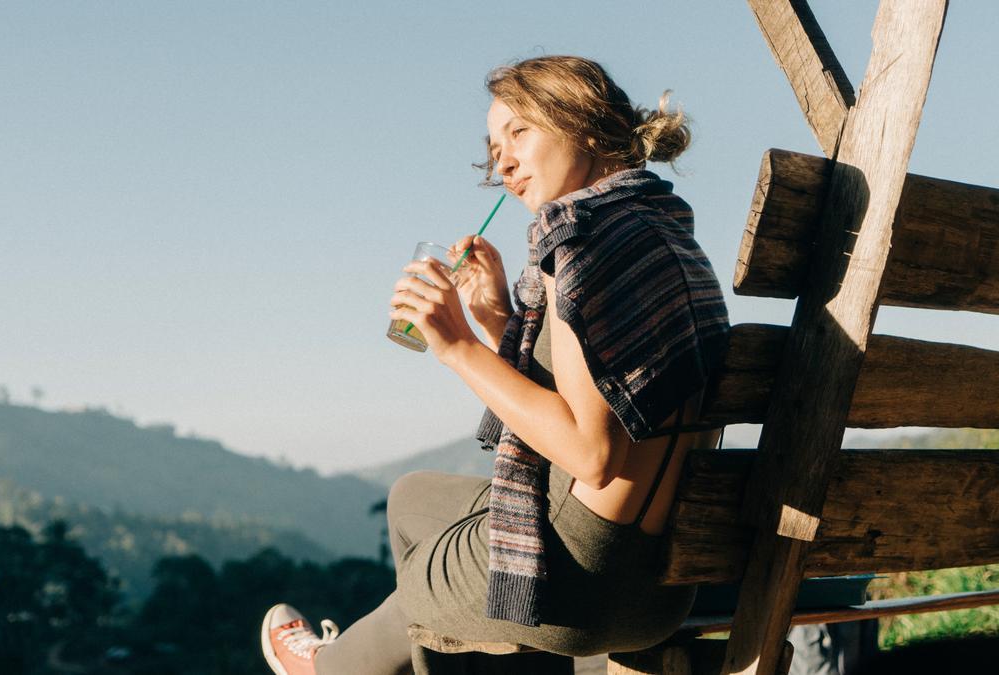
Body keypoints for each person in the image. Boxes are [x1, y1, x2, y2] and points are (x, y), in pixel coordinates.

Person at [261, 55, 730, 675]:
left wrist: (458, 345)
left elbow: (592, 453)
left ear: (583, 123)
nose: (501, 161)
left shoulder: (583, 240)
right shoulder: (655, 229)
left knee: (420, 592)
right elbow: (607, 393)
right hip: (665, 580)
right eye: (493, 144)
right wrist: (499, 321)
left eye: (519, 132)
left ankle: (328, 667)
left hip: (583, 583)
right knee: (411, 499)